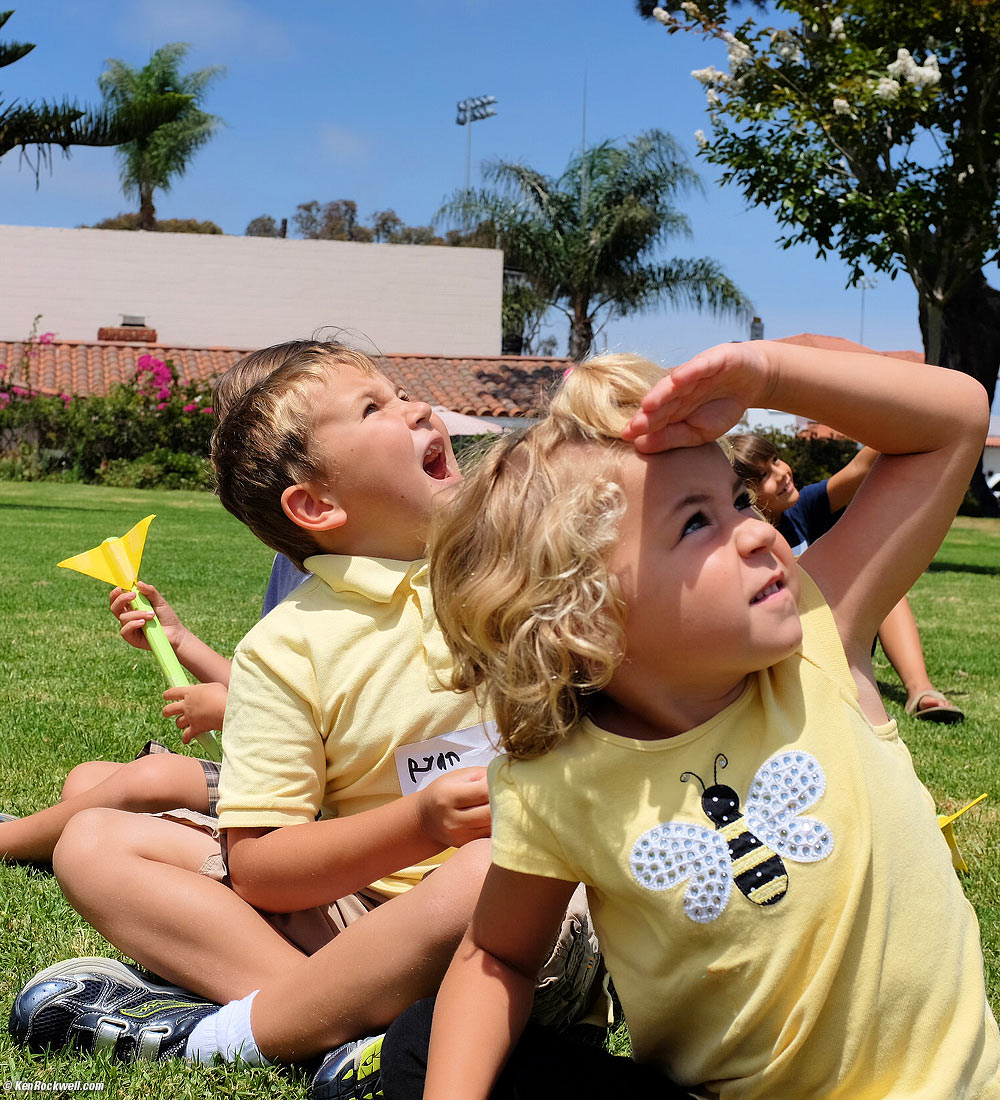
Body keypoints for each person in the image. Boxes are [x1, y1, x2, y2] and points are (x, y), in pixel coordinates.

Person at [392, 344, 997, 1099]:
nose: (753, 532)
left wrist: (767, 377)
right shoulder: (558, 781)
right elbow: (500, 956)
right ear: (591, 623)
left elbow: (957, 419)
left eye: (736, 502)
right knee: (422, 1047)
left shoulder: (819, 640)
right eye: (695, 523)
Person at [9, 340, 602, 1100]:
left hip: (530, 922)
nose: (417, 408)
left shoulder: (518, 563)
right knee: (92, 841)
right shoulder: (287, 647)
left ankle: (242, 1033)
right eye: (374, 408)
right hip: (365, 918)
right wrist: (420, 822)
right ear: (318, 505)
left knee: (490, 865)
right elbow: (261, 865)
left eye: (401, 392)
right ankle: (349, 1029)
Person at [0, 350, 310, 865]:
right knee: (85, 783)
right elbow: (265, 689)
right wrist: (179, 638)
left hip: (311, 797)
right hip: (267, 768)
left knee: (149, 779)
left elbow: (339, 732)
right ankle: (125, 835)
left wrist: (235, 713)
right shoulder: (293, 565)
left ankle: (11, 842)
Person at [727, 433, 964, 722]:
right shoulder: (745, 539)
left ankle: (921, 689)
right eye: (764, 475)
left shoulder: (800, 510)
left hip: (836, 633)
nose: (781, 473)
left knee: (882, 583)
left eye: (775, 460)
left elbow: (861, 467)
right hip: (789, 648)